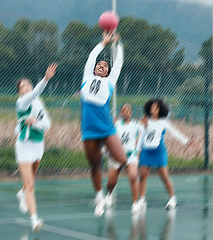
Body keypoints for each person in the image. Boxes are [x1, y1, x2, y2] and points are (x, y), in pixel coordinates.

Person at [80, 31, 127, 217]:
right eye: (99, 65)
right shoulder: (86, 79)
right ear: (94, 69)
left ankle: (109, 191)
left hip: (106, 127)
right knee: (95, 165)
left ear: (107, 72)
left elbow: (119, 63)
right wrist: (103, 43)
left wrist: (118, 43)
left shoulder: (109, 82)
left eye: (104, 66)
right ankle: (99, 197)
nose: (101, 66)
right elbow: (92, 57)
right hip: (89, 128)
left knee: (122, 160)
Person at [15, 63, 57, 232]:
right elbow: (35, 93)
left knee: (30, 179)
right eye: (22, 86)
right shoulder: (23, 102)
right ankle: (34, 219)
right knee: (31, 185)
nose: (26, 87)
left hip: (38, 145)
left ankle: (22, 192)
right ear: (20, 91)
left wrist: (35, 122)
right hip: (24, 146)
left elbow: (48, 124)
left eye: (27, 84)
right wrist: (46, 79)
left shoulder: (38, 103)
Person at [134, 98, 192, 210]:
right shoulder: (145, 121)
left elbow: (175, 132)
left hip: (159, 152)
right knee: (142, 176)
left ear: (160, 109)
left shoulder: (163, 122)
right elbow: (141, 137)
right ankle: (142, 200)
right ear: (149, 109)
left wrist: (186, 141)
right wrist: (137, 151)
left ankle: (172, 199)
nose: (154, 110)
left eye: (156, 108)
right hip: (146, 152)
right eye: (152, 108)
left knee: (164, 177)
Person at [105, 103, 144, 213]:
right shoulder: (116, 124)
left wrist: (137, 149)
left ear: (131, 113)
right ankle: (109, 194)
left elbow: (144, 133)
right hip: (117, 155)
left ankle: (135, 203)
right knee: (111, 182)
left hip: (131, 156)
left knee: (133, 176)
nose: (125, 113)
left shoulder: (136, 124)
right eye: (123, 111)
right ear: (121, 113)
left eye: (127, 111)